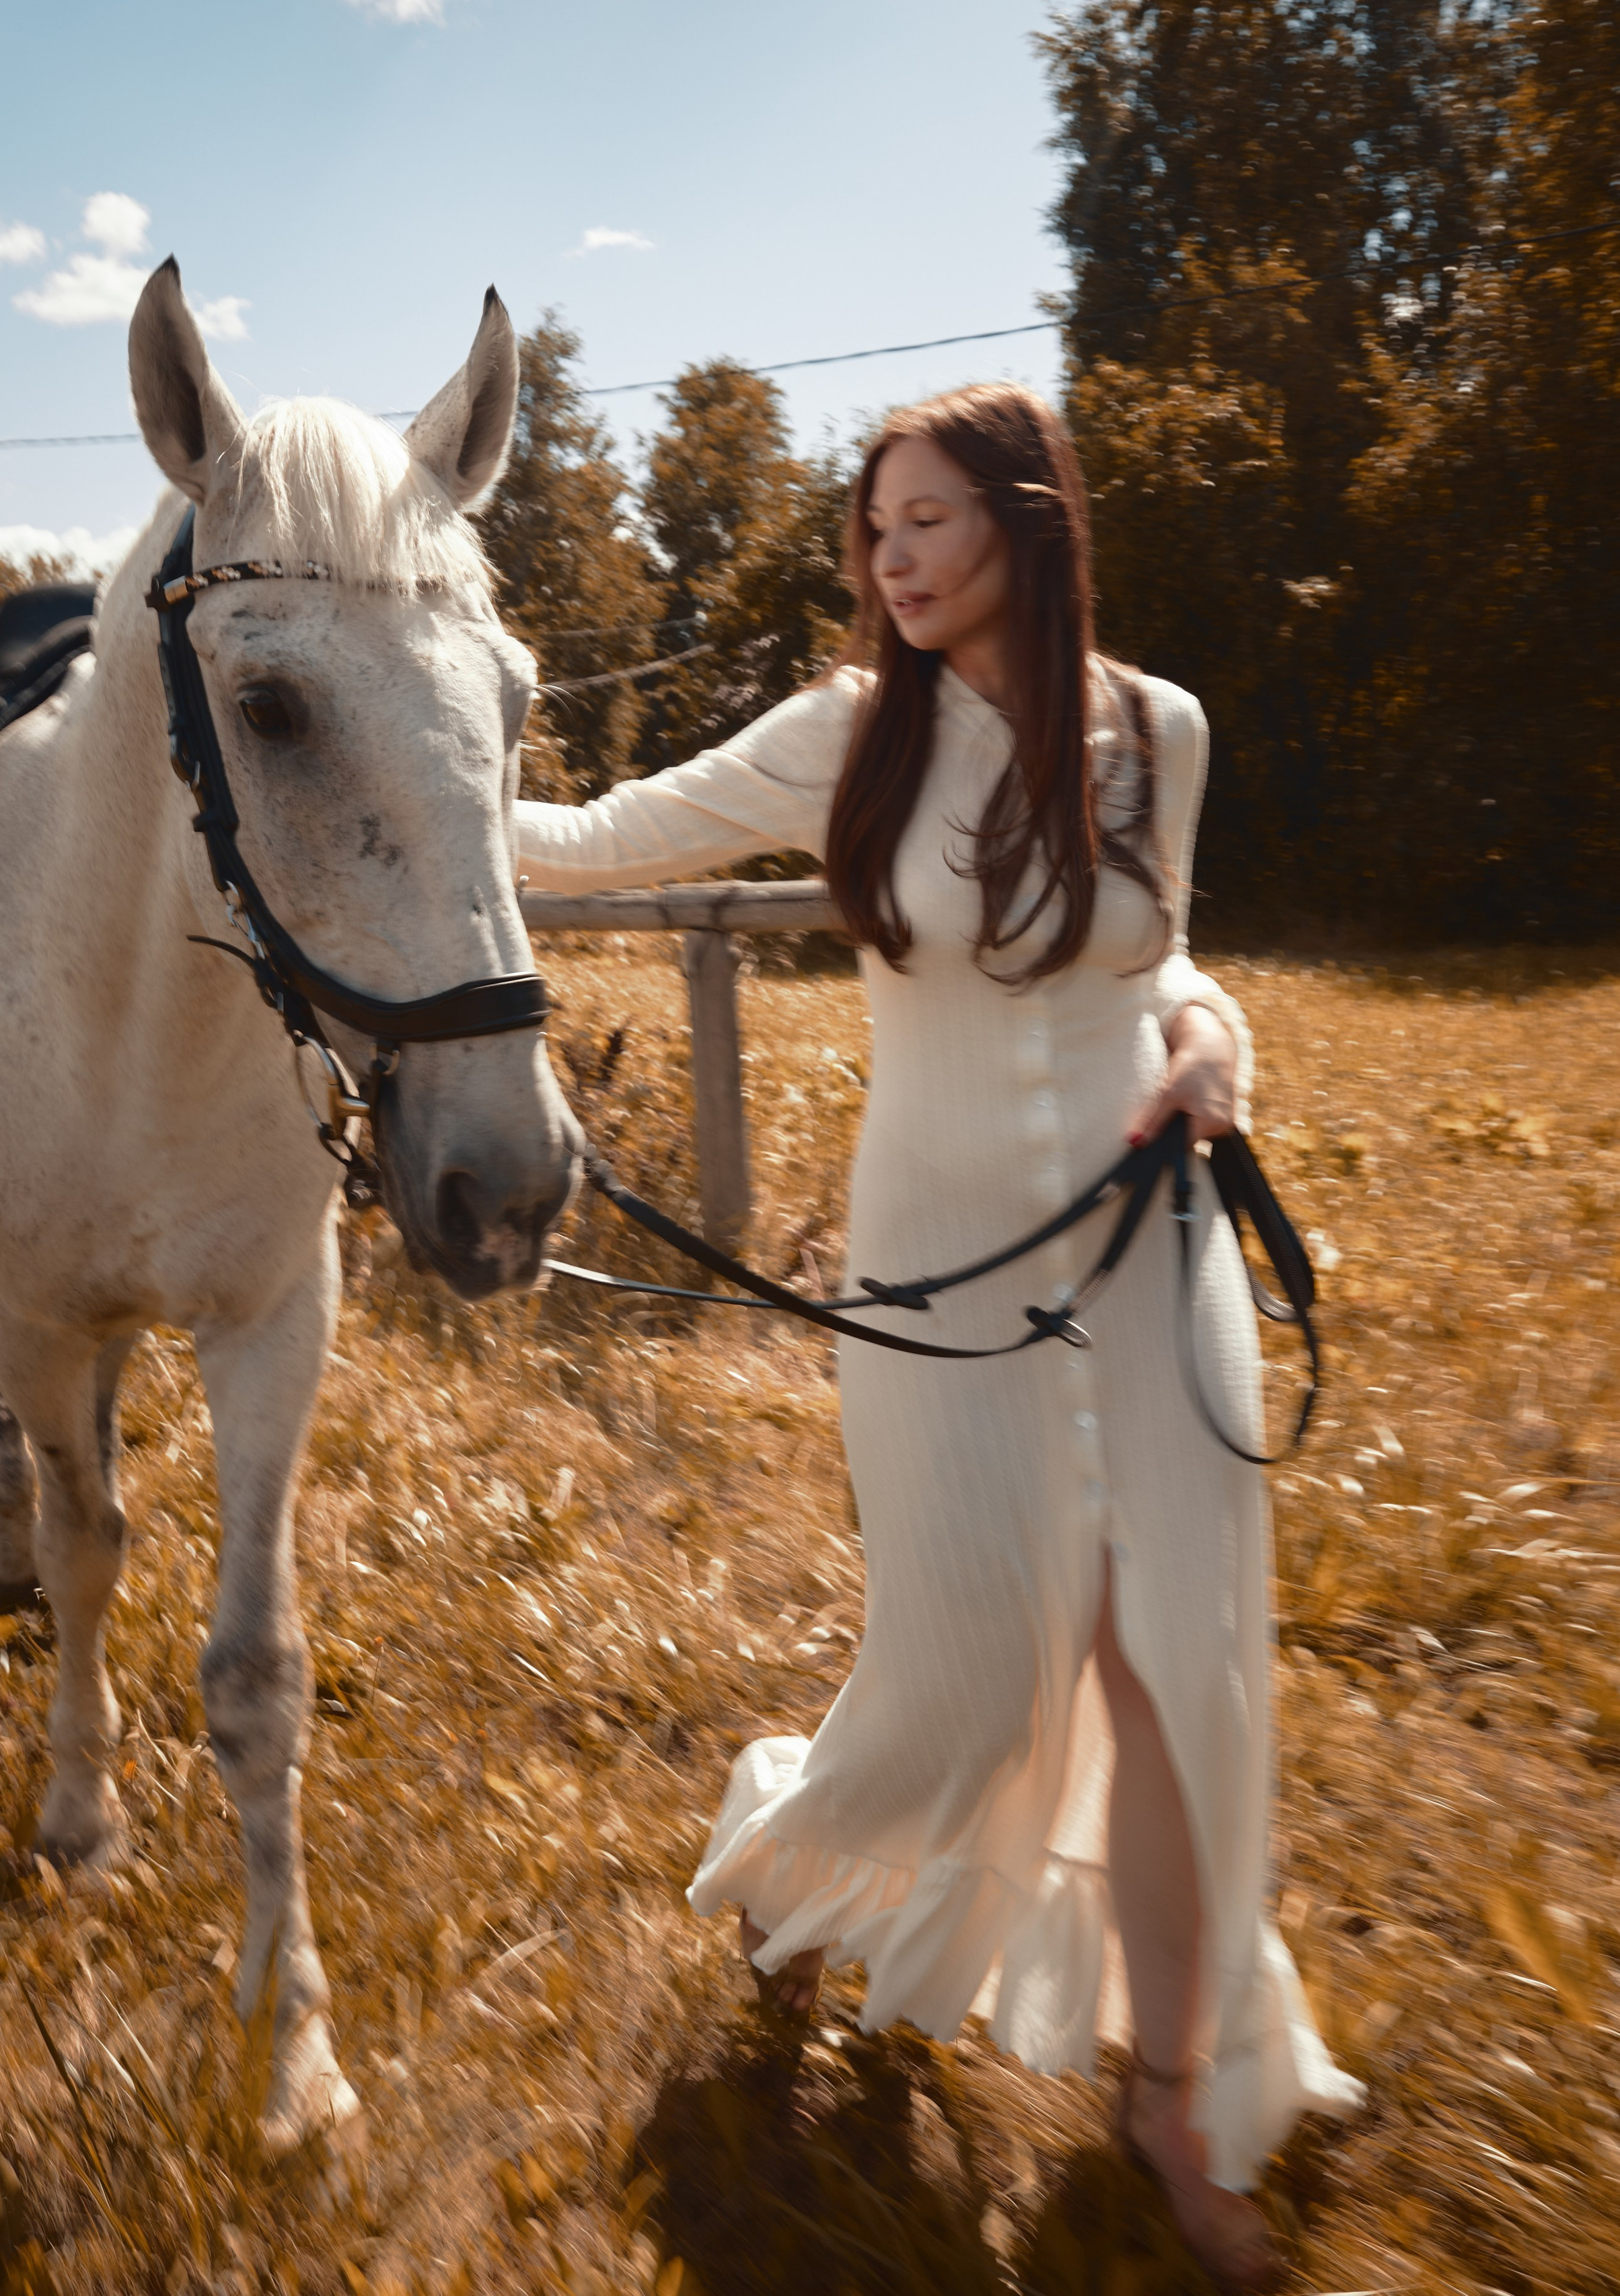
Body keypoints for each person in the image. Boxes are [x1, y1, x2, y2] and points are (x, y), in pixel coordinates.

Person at [515, 384, 1360, 2289]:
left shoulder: (1165, 732)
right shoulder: (846, 737)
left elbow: (1171, 965)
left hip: (1156, 1264)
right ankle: (798, 1841)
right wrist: (365, 785)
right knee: (979, 1672)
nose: (891, 560)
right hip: (938, 1282)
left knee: (1179, 1679)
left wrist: (1219, 1048)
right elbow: (580, 836)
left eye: (924, 522)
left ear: (1026, 520)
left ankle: (1175, 2087)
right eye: (873, 531)